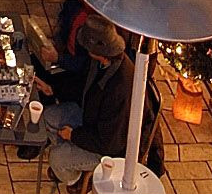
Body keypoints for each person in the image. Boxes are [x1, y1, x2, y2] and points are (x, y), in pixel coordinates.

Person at [44, 15, 164, 188]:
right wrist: (53, 88)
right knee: (50, 117)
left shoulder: (119, 88)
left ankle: (75, 181)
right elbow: (82, 87)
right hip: (92, 120)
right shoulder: (99, 62)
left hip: (111, 147)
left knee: (57, 157)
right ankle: (70, 160)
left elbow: (109, 142)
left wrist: (74, 136)